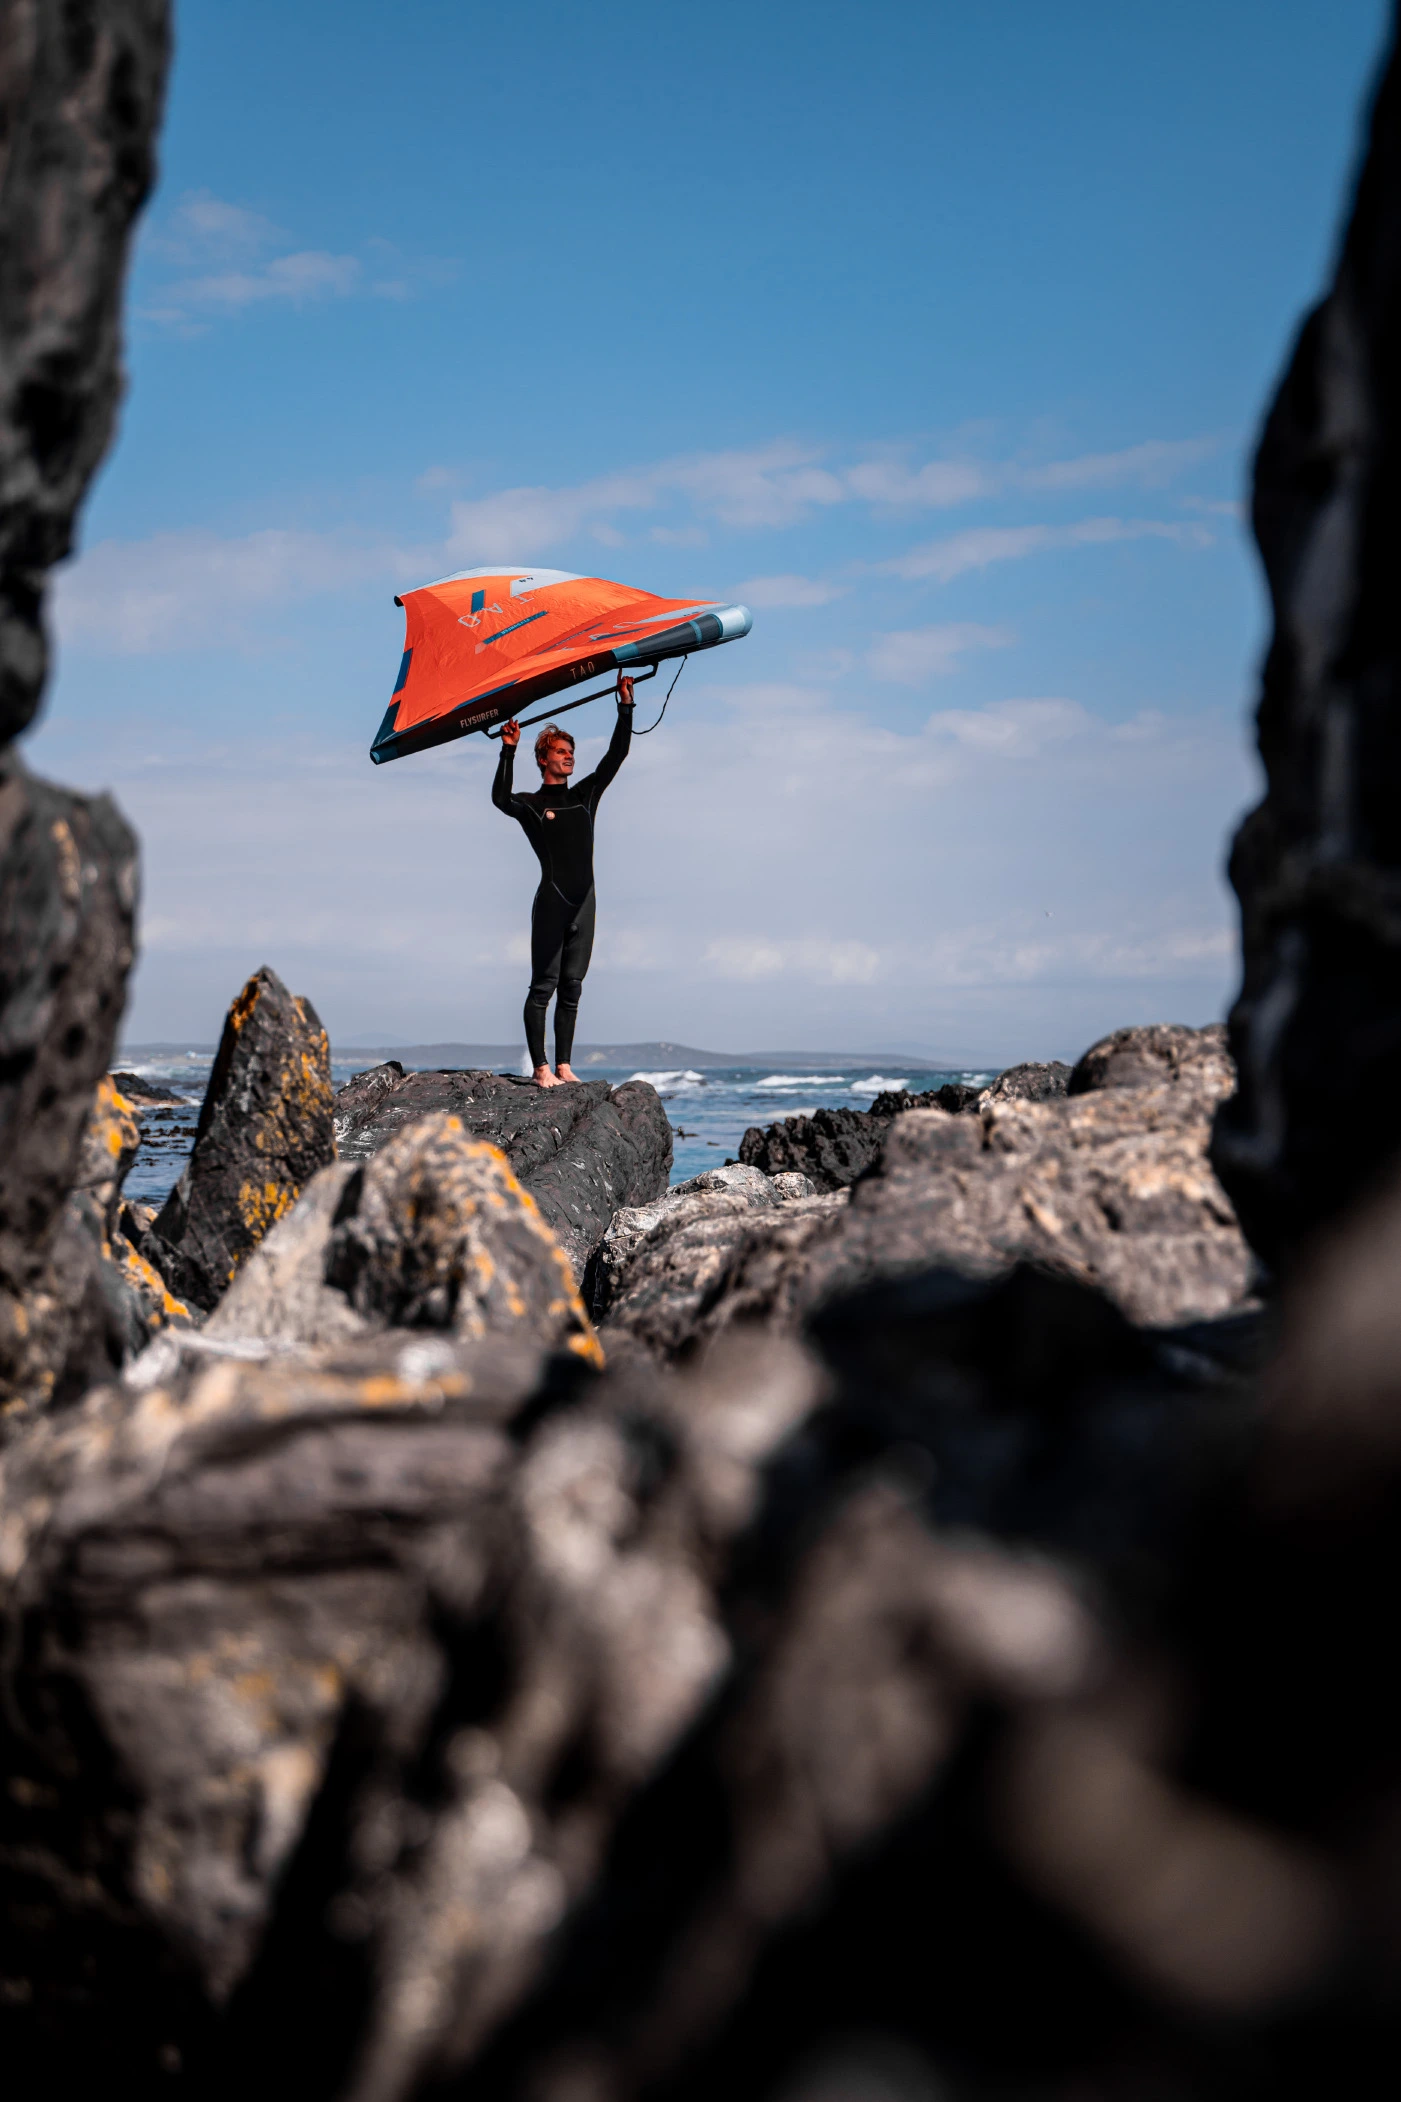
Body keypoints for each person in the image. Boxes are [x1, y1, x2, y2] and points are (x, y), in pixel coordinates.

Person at [492, 678, 634, 1086]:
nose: (569, 756)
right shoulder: (532, 805)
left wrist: (626, 707)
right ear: (543, 758)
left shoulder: (585, 796)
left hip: (585, 902)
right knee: (544, 986)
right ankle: (540, 1069)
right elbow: (500, 799)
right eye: (560, 751)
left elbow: (616, 755)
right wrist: (507, 749)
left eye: (571, 752)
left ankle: (564, 1066)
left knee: (573, 986)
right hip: (552, 902)